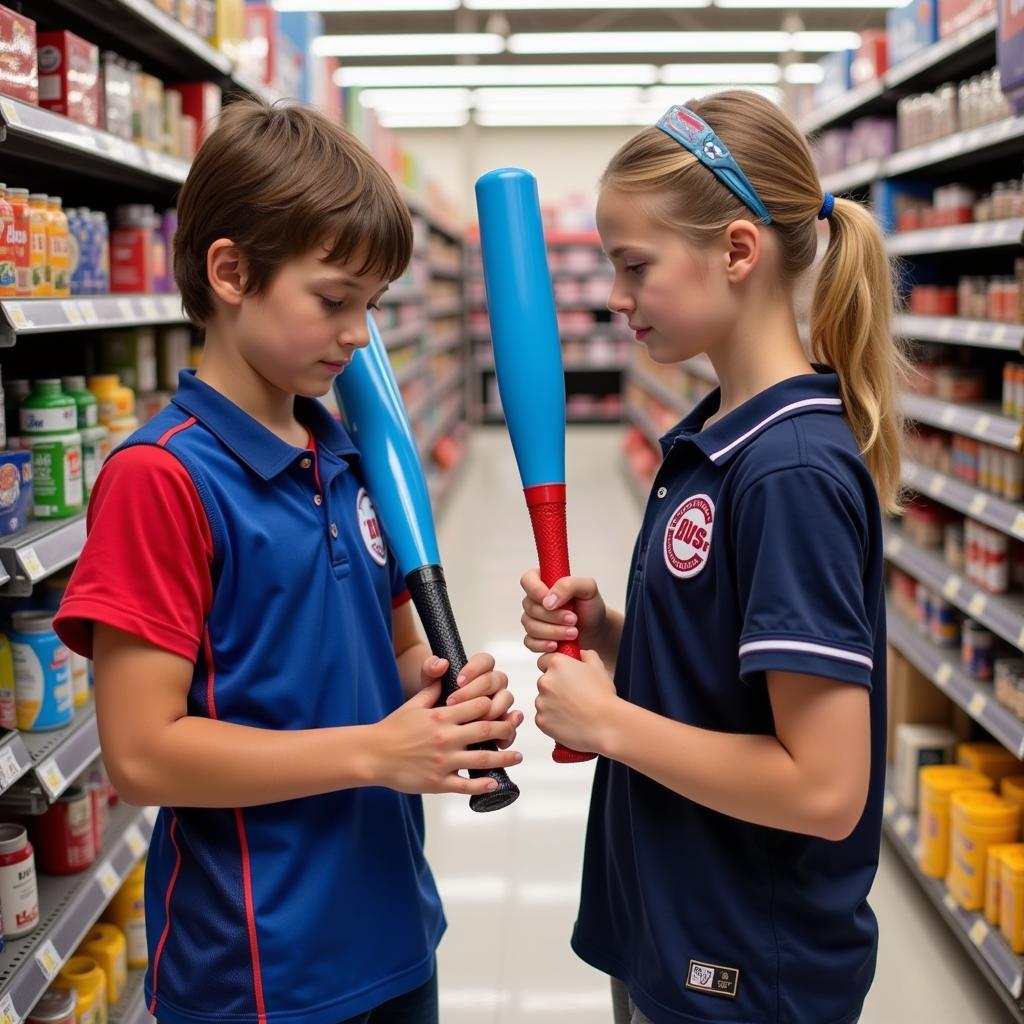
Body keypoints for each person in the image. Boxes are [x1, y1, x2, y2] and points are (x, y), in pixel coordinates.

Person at [54, 99, 522, 1024]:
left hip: (394, 929)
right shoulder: (163, 480)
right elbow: (144, 755)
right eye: (333, 300)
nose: (360, 336)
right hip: (259, 970)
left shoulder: (347, 455)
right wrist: (378, 751)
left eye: (373, 306)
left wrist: (438, 702)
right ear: (230, 272)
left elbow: (389, 663)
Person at [520, 90, 902, 1024]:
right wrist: (611, 631)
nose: (614, 297)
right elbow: (720, 671)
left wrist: (607, 724)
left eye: (634, 265)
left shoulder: (790, 470)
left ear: (737, 251)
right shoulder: (717, 434)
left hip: (744, 969)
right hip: (675, 926)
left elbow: (823, 789)